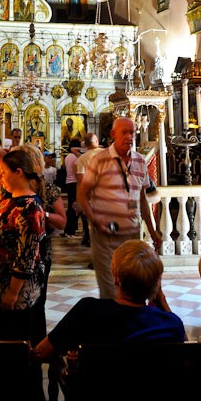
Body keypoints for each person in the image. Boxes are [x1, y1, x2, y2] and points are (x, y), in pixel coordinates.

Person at [34, 240, 185, 360]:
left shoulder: (87, 311)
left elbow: (42, 352)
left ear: (116, 279)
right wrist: (162, 302)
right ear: (156, 285)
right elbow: (188, 353)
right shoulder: (170, 325)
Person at [77, 116, 161, 298]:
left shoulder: (140, 161)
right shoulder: (99, 160)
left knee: (131, 290)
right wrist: (95, 221)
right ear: (113, 134)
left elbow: (142, 199)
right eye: (124, 132)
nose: (129, 136)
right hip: (105, 235)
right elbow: (82, 194)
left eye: (132, 132)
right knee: (110, 291)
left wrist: (153, 232)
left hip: (131, 234)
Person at [0, 148, 46, 342]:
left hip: (18, 291)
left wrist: (12, 293)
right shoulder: (9, 199)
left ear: (18, 172)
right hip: (0, 282)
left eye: (3, 172)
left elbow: (27, 256)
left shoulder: (30, 208)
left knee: (15, 339)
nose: (0, 177)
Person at [19, 144, 66, 344]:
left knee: (37, 303)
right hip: (17, 252)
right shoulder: (10, 187)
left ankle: (38, 348)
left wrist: (41, 213)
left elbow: (62, 221)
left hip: (40, 252)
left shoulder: (47, 189)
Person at [74, 132, 102, 247]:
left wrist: (79, 201)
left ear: (85, 144)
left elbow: (81, 181)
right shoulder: (107, 154)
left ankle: (89, 240)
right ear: (97, 142)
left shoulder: (82, 159)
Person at [62, 139, 81, 237]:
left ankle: (69, 228)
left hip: (68, 182)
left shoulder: (67, 157)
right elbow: (77, 172)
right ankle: (70, 229)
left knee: (70, 206)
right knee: (74, 207)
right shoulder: (75, 158)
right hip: (74, 183)